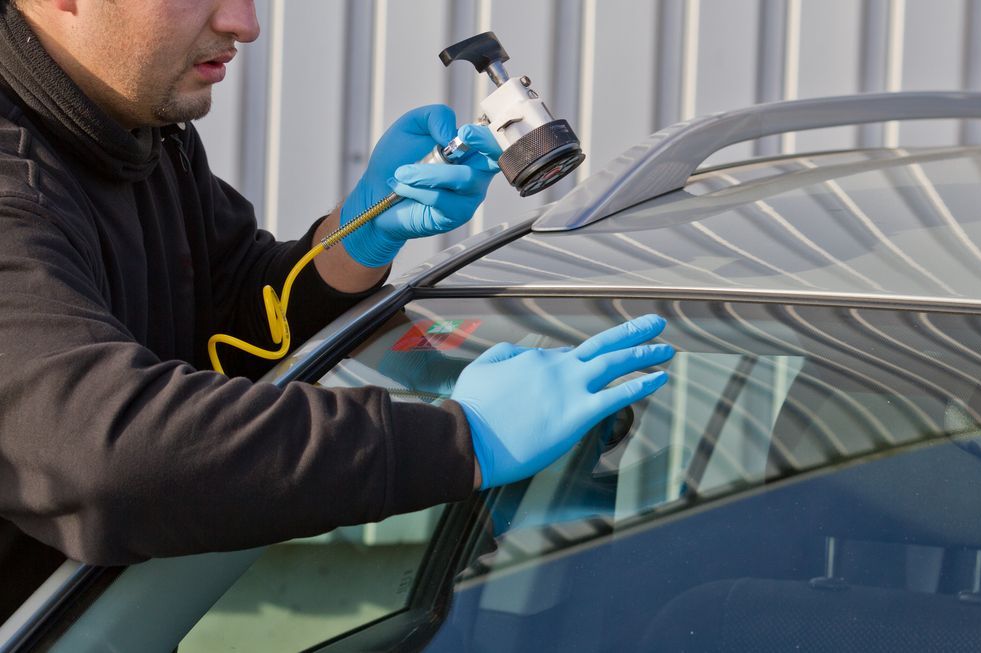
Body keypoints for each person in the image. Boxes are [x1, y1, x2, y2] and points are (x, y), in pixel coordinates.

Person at [0, 0, 674, 590]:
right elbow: (109, 450)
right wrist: (461, 439)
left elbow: (227, 321)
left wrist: (357, 238)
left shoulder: (136, 129)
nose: (246, 22)